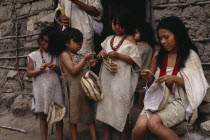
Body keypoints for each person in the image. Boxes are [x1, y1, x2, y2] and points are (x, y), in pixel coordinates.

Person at [132, 16, 209, 140]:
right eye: (160, 38)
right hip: (158, 99)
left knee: (153, 123)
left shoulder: (189, 56)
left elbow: (198, 87)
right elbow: (150, 84)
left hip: (179, 101)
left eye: (166, 37)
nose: (162, 42)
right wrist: (147, 76)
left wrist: (175, 79)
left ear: (177, 35)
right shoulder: (158, 55)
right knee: (140, 127)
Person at [96, 8, 142, 140]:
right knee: (106, 103)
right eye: (114, 24)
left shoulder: (131, 40)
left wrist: (118, 55)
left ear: (127, 25)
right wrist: (101, 53)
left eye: (119, 25)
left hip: (122, 79)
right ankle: (106, 133)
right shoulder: (109, 38)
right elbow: (101, 52)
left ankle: (124, 132)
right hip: (107, 77)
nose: (116, 27)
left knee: (122, 103)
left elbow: (135, 60)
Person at [59, 27, 98, 140]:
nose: (79, 44)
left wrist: (90, 63)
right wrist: (85, 59)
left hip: (84, 91)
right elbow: (73, 70)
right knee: (73, 117)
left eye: (81, 42)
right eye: (76, 42)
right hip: (73, 92)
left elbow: (84, 69)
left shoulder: (80, 56)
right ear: (67, 43)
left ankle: (94, 137)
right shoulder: (65, 55)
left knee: (89, 114)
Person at [26, 26, 64, 140]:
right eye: (42, 39)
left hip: (55, 90)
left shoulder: (57, 55)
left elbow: (61, 73)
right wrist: (39, 70)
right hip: (41, 91)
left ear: (54, 43)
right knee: (43, 117)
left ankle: (60, 138)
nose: (42, 43)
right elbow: (28, 73)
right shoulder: (33, 56)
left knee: (58, 115)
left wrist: (56, 68)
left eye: (47, 41)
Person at [134, 22, 155, 108]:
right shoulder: (148, 47)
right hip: (143, 70)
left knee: (140, 87)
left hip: (139, 70)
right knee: (142, 87)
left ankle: (140, 103)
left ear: (143, 34)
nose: (134, 34)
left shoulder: (141, 47)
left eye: (136, 33)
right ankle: (140, 103)